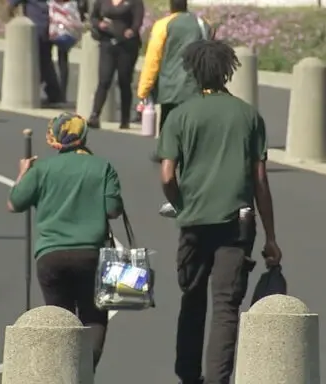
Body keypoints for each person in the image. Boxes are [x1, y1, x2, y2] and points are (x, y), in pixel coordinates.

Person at [157, 40, 282, 384]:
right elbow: (260, 182)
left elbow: (167, 175)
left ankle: (187, 374)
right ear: (228, 71)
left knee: (192, 298)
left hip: (194, 221)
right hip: (237, 224)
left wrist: (182, 203)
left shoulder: (180, 115)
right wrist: (271, 237)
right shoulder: (248, 115)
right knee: (226, 308)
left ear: (194, 71)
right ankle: (217, 379)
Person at [6, 112, 123, 371]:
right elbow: (113, 210)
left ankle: (62, 372)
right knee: (94, 317)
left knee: (60, 317)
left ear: (54, 139)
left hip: (50, 256)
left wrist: (23, 174)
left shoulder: (42, 170)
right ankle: (85, 371)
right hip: (91, 254)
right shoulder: (101, 166)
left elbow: (14, 203)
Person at [136, 0, 213, 162]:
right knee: (193, 118)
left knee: (168, 117)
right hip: (196, 83)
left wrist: (144, 89)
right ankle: (192, 152)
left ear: (171, 6)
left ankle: (165, 152)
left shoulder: (164, 25)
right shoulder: (203, 24)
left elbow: (153, 58)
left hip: (170, 82)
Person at [87, 0, 144, 129]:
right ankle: (94, 115)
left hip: (126, 46)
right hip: (107, 43)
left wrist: (132, 30)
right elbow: (94, 17)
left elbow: (138, 21)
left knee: (124, 81)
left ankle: (125, 119)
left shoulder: (134, 2)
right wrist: (99, 24)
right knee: (104, 80)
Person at [7, 0, 63, 104]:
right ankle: (52, 92)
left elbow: (13, 3)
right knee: (45, 60)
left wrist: (10, 10)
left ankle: (54, 93)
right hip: (51, 23)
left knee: (42, 61)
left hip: (37, 24)